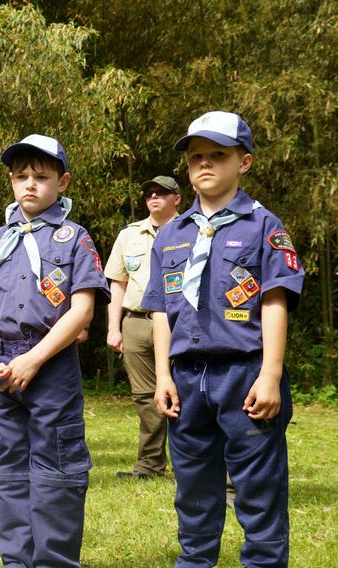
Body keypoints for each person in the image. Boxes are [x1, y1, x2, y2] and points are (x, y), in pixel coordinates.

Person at [143, 111, 303, 567]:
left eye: (218, 155)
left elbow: (274, 301)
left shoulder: (264, 226)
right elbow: (160, 310)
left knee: (258, 488)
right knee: (193, 490)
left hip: (245, 374)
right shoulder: (171, 234)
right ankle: (194, 561)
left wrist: (270, 374)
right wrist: (162, 376)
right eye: (196, 157)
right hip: (186, 378)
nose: (205, 164)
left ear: (244, 162)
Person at [0, 134, 110, 567]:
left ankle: (54, 560)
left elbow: (81, 311)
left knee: (56, 466)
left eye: (41, 177)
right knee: (8, 466)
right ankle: (16, 560)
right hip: (1, 366)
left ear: (62, 182)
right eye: (21, 176)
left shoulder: (74, 238)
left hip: (50, 365)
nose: (30, 185)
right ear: (10, 180)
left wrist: (36, 357)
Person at [105, 175, 182, 479]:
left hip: (178, 324)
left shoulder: (193, 229)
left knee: (186, 392)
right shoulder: (129, 235)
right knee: (145, 397)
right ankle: (150, 466)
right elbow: (117, 283)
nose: (154, 198)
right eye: (149, 193)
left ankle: (193, 466)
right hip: (136, 322)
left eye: (162, 193)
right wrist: (114, 327)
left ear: (177, 199)